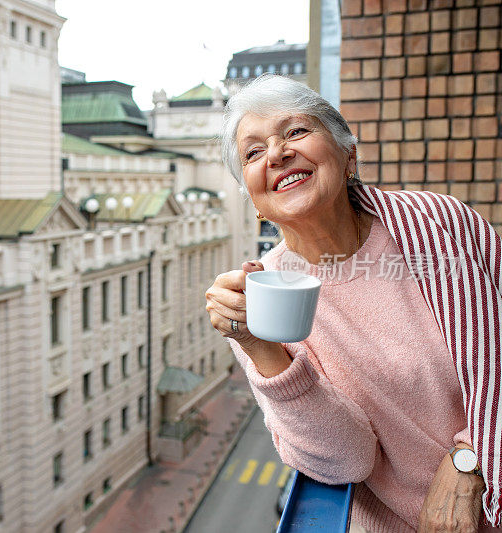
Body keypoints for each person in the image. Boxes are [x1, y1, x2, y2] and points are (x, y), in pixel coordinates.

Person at [205, 74, 501, 532]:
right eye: (254, 151)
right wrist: (257, 345)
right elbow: (346, 461)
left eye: (296, 131)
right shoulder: (257, 297)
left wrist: (470, 459)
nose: (278, 154)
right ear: (256, 201)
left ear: (348, 156)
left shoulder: (441, 225)